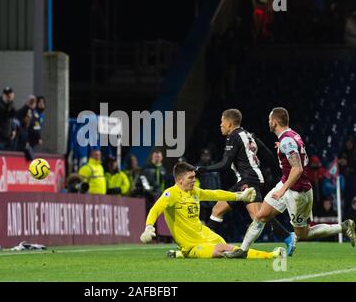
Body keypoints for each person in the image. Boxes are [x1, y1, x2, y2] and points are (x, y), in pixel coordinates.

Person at [222, 107, 355, 258]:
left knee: (303, 233)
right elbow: (299, 155)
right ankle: (242, 250)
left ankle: (343, 227)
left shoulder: (286, 141)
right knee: (261, 215)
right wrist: (283, 152)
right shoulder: (292, 136)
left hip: (298, 193)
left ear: (275, 122)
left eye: (269, 120)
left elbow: (297, 169)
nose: (268, 122)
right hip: (287, 185)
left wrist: (282, 190)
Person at [196, 109, 295, 255]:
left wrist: (202, 169)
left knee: (258, 216)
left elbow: (224, 164)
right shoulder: (249, 135)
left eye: (222, 121)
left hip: (248, 180)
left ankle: (288, 236)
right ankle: (205, 242)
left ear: (229, 123)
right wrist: (272, 173)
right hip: (249, 179)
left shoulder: (233, 137)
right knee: (218, 209)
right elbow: (268, 154)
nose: (220, 125)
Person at [140, 162, 285, 259]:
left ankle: (179, 254)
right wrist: (148, 227)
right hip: (192, 245)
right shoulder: (170, 194)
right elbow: (155, 209)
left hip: (204, 234)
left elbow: (215, 193)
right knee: (224, 249)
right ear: (179, 180)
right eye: (190, 178)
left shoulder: (194, 192)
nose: (193, 180)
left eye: (194, 177)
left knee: (221, 243)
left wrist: (239, 196)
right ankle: (270, 255)